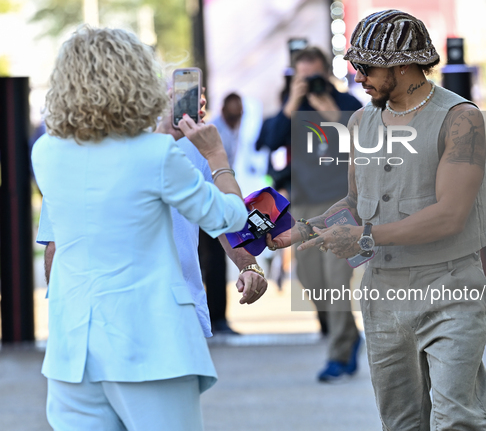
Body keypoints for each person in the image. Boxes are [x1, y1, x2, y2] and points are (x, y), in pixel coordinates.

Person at [268, 10, 486, 430]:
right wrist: (297, 231)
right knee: (402, 423)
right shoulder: (360, 121)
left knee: (456, 419)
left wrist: (365, 238)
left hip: (449, 288)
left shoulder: (461, 118)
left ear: (404, 65)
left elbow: (450, 216)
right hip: (383, 296)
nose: (356, 76)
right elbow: (356, 201)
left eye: (365, 66)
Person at [32, 27, 266, 431]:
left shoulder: (48, 152)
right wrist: (215, 154)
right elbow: (229, 217)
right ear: (137, 81)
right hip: (150, 345)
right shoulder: (157, 155)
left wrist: (162, 135)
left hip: (73, 352)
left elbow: (115, 174)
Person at [266, 46, 363, 382]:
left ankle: (338, 354)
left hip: (340, 203)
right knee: (311, 280)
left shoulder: (346, 103)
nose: (310, 83)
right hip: (304, 203)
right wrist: (293, 102)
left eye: (314, 76)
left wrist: (331, 112)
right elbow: (270, 141)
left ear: (325, 72)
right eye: (302, 76)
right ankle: (349, 337)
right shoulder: (293, 106)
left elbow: (363, 143)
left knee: (336, 280)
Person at [199, 93, 244, 334]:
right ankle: (214, 317)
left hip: (218, 198)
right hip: (214, 200)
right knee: (212, 261)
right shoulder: (217, 132)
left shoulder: (233, 129)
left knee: (216, 262)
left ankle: (218, 316)